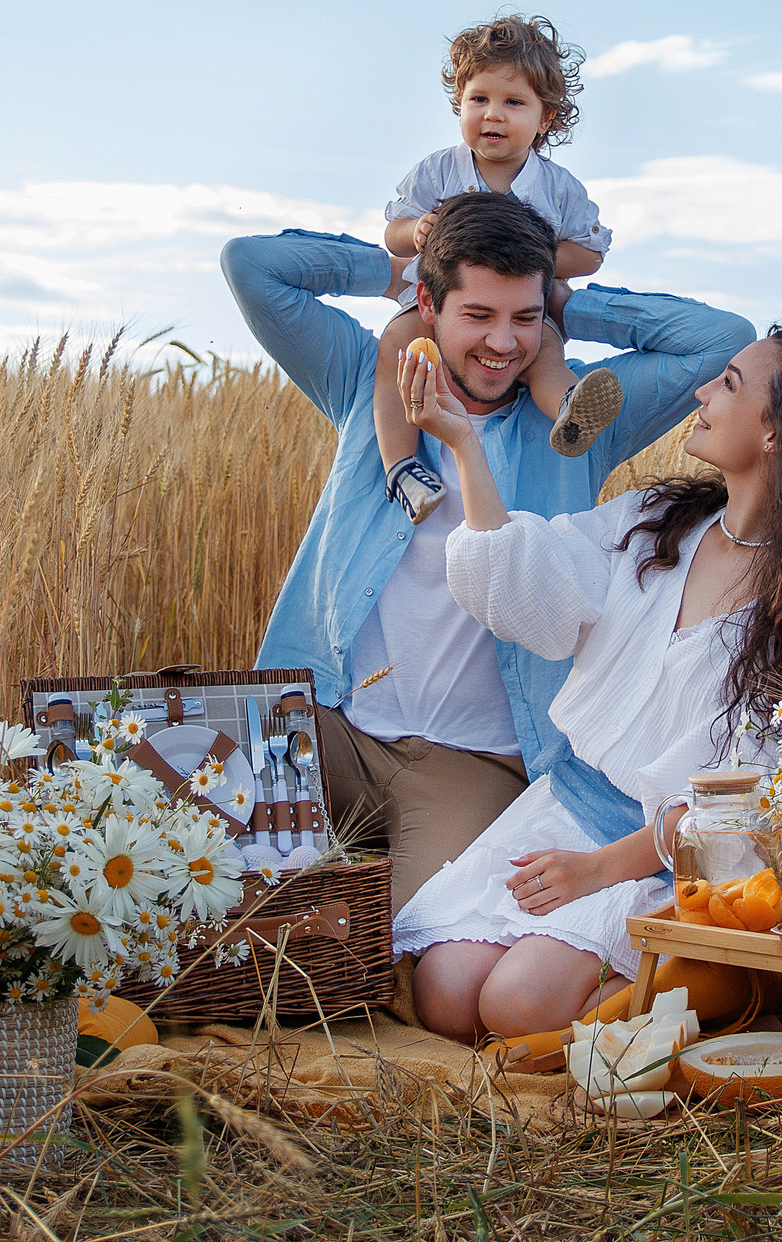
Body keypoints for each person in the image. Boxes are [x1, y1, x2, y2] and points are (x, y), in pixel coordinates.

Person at [391, 319, 782, 1041]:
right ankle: (653, 1002)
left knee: (514, 1006)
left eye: (730, 383)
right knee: (445, 991)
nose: (703, 391)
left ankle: (728, 996)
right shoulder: (660, 522)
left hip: (670, 865)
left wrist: (599, 870)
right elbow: (530, 575)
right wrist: (461, 442)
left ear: (776, 432)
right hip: (564, 811)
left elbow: (750, 805)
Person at [220, 191, 753, 917]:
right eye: (479, 314)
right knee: (189, 864)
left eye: (523, 318)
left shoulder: (572, 417)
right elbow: (251, 265)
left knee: (401, 943)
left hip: (470, 762)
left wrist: (570, 307)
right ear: (431, 308)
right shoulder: (363, 378)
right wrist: (392, 271)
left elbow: (723, 335)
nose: (504, 343)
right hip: (328, 721)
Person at [376, 15, 621, 524]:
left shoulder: (557, 187)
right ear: (459, 104)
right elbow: (392, 231)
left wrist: (535, 253)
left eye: (514, 103)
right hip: (442, 305)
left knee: (545, 357)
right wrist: (417, 230)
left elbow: (591, 253)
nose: (494, 114)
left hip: (524, 314)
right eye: (479, 99)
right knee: (396, 345)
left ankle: (571, 411)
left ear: (545, 118)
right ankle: (401, 467)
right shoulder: (439, 170)